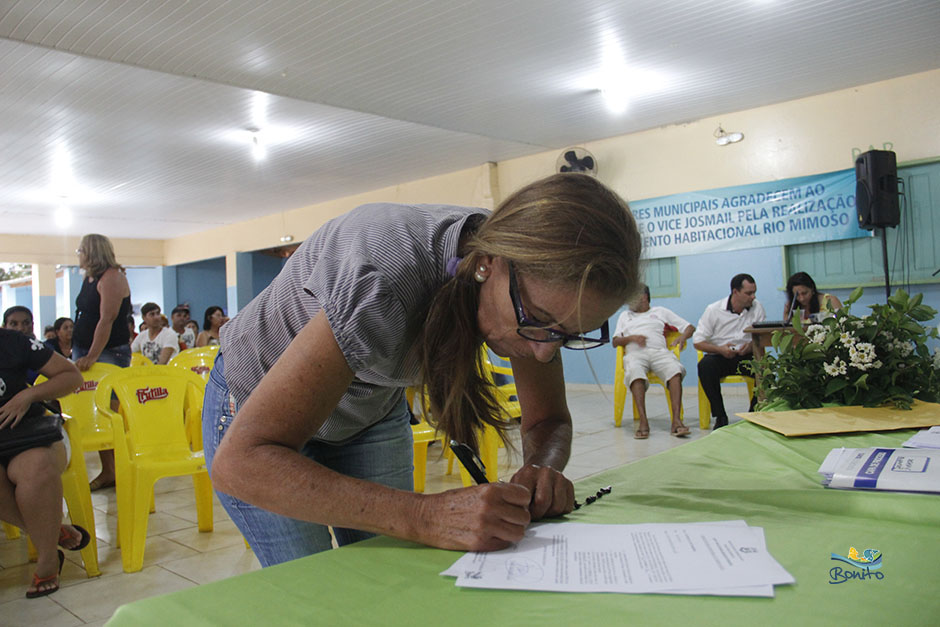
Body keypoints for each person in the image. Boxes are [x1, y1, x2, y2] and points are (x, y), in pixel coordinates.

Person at [204, 173, 641, 567]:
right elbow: (241, 462)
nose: (543, 354)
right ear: (488, 263)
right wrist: (424, 515)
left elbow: (548, 420)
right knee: (309, 579)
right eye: (539, 320)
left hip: (368, 407)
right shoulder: (381, 279)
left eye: (569, 334)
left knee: (386, 575)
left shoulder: (533, 297)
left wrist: (542, 468)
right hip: (253, 405)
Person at [0, 328, 90, 598]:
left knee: (36, 468)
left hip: (30, 434)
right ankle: (52, 531)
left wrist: (27, 396)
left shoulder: (12, 342)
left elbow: (71, 377)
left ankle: (48, 558)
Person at [72, 233, 132, 491]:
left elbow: (107, 319)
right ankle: (109, 470)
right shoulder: (89, 278)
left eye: (81, 250)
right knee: (93, 410)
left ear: (93, 252)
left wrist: (93, 355)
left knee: (108, 410)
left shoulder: (112, 278)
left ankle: (120, 469)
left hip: (108, 352)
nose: (79, 254)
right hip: (84, 348)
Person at [612, 284, 694, 439]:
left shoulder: (660, 312)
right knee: (635, 372)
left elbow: (690, 327)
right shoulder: (625, 316)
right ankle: (643, 422)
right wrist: (632, 338)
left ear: (644, 297)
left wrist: (682, 338)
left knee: (674, 370)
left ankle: (676, 421)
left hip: (659, 352)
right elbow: (615, 341)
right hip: (635, 354)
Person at [692, 273, 766, 429]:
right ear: (735, 292)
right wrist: (720, 349)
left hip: (745, 356)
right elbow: (697, 342)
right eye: (748, 293)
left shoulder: (757, 307)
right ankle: (720, 416)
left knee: (764, 367)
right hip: (720, 356)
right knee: (705, 366)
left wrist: (750, 346)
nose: (753, 297)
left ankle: (753, 413)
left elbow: (761, 336)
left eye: (754, 292)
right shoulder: (713, 310)